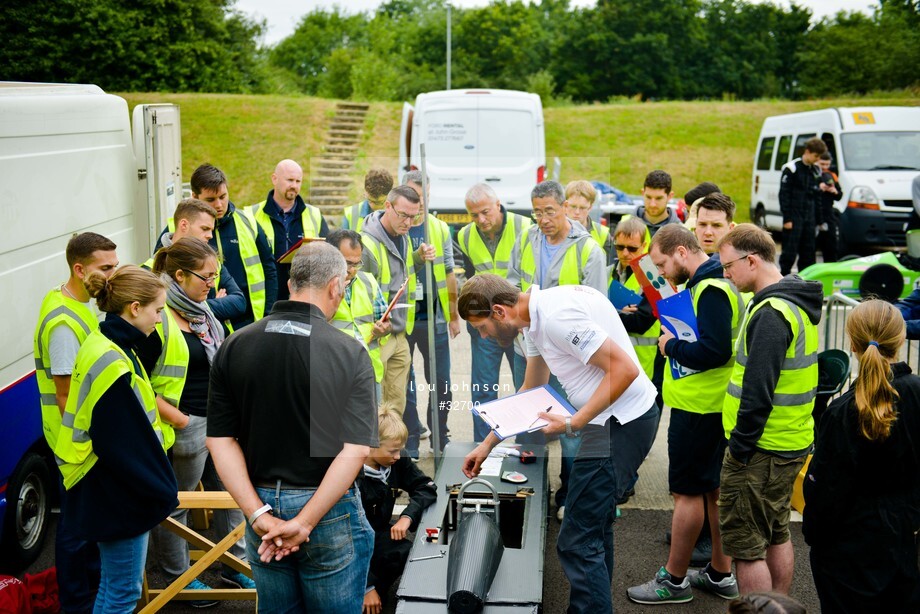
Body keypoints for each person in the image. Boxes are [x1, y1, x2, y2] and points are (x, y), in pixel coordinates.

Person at [459, 274, 659, 614]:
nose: (484, 336)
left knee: (577, 541)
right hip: (605, 423)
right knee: (591, 530)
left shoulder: (555, 318)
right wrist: (489, 443)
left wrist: (574, 422)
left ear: (498, 311)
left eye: (482, 328)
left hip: (621, 424)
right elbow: (533, 388)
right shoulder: (533, 320)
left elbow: (625, 371)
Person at [206, 242, 377, 612]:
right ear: (336, 286)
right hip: (328, 507)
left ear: (289, 286)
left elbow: (220, 440)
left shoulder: (234, 346)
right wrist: (304, 522)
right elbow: (356, 449)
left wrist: (257, 514)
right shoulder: (349, 352)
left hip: (259, 504)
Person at [627, 225, 744, 604]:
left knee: (688, 493)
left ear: (681, 252)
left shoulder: (710, 289)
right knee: (712, 491)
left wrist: (670, 345)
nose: (660, 273)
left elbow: (714, 351)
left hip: (700, 408)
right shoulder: (714, 285)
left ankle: (674, 581)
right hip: (712, 406)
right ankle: (720, 573)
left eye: (661, 263)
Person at [53, 265, 178, 613]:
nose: (160, 319)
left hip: (95, 483)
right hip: (115, 493)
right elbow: (123, 444)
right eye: (157, 310)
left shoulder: (104, 342)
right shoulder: (113, 359)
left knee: (110, 587)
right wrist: (163, 489)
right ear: (134, 308)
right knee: (123, 593)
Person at [143, 237, 253, 602]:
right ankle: (181, 580)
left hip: (220, 423)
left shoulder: (203, 312)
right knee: (179, 505)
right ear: (179, 275)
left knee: (234, 493)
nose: (212, 285)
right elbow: (138, 382)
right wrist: (181, 420)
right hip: (186, 428)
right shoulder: (159, 318)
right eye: (205, 278)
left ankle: (236, 568)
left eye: (214, 276)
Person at [717, 224, 823, 595]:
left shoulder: (771, 313)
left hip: (760, 449)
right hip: (788, 440)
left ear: (751, 260)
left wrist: (741, 449)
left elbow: (757, 392)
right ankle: (780, 605)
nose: (725, 274)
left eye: (728, 266)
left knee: (746, 547)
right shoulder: (792, 302)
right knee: (777, 530)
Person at [804, 299, 920, 612]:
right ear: (900, 340)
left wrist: (814, 534)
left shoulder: (842, 411)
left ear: (852, 344)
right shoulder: (916, 392)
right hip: (907, 537)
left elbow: (826, 486)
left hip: (849, 546)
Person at [509, 179, 607, 520]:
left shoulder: (589, 250)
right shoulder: (525, 239)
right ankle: (529, 489)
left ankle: (569, 495)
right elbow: (513, 286)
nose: (543, 218)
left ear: (565, 207)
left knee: (570, 430)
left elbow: (598, 309)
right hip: (532, 348)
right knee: (532, 415)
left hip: (571, 359)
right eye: (537, 212)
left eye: (550, 210)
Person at [33, 232, 117, 614]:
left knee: (82, 523)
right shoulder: (64, 326)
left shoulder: (78, 301)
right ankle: (77, 605)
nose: (112, 275)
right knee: (74, 529)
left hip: (76, 438)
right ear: (79, 269)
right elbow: (67, 397)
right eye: (105, 268)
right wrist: (97, 440)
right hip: (73, 441)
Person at [457, 183, 532, 442]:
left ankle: (526, 447)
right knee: (484, 388)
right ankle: (483, 444)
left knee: (526, 388)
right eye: (474, 215)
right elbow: (467, 277)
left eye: (486, 212)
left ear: (498, 204)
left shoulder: (525, 228)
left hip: (518, 324)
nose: (481, 220)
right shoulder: (465, 236)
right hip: (486, 327)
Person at [361, 185, 436, 417]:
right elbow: (359, 293)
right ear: (387, 206)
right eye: (403, 215)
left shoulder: (401, 236)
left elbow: (398, 274)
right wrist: (373, 328)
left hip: (399, 334)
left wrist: (418, 258)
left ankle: (390, 452)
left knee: (395, 408)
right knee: (375, 408)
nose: (408, 223)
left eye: (414, 217)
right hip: (378, 337)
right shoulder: (367, 244)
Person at [401, 171, 460, 455]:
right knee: (405, 384)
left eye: (424, 197)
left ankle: (440, 434)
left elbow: (449, 271)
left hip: (433, 319)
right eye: (414, 196)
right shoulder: (397, 227)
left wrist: (453, 313)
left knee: (442, 383)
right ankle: (411, 437)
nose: (420, 203)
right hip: (405, 319)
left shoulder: (439, 228)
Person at [359, 406, 437, 614]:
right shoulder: (351, 477)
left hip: (377, 533)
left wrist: (407, 517)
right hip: (353, 543)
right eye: (392, 450)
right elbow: (343, 538)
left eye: (400, 449)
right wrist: (367, 585)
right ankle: (365, 596)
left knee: (404, 551)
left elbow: (425, 487)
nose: (398, 455)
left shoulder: (396, 459)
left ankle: (378, 599)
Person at [188, 164, 277, 328]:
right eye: (210, 200)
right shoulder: (180, 229)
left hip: (250, 320)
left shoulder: (248, 223)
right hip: (206, 322)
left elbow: (269, 269)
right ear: (194, 196)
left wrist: (268, 314)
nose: (219, 205)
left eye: (223, 196)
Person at [149, 197, 247, 335]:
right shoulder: (150, 268)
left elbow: (239, 302)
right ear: (184, 225)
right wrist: (209, 307)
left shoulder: (212, 262)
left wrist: (198, 307)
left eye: (211, 230)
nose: (210, 236)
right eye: (205, 229)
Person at [249, 159, 329, 301]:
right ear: (274, 179)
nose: (294, 186)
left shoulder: (314, 215)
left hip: (304, 297)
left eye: (298, 181)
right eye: (290, 180)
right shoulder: (252, 215)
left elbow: (327, 254)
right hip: (266, 297)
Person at [327, 228, 391, 389]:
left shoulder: (368, 281)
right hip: (333, 371)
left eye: (357, 264)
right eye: (347, 263)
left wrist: (383, 328)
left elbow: (385, 322)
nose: (352, 270)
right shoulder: (318, 283)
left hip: (368, 370)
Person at [779, 137, 827, 275]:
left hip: (809, 218)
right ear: (807, 151)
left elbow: (817, 196)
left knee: (808, 253)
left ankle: (805, 283)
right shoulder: (791, 168)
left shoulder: (816, 170)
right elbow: (784, 195)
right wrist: (787, 218)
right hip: (794, 217)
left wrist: (819, 220)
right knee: (789, 252)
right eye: (816, 156)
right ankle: (783, 279)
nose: (817, 159)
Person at [564, 180, 611, 260]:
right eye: (573, 206)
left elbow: (608, 269)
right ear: (565, 205)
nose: (577, 212)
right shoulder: (553, 231)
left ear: (590, 207)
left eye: (582, 208)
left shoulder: (603, 234)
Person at [343, 167, 394, 232]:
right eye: (370, 200)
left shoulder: (398, 213)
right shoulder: (351, 213)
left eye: (379, 202)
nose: (373, 206)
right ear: (365, 192)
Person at [815, 152, 842, 262]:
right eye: (822, 164)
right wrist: (818, 188)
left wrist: (834, 191)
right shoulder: (813, 173)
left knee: (831, 246)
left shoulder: (832, 175)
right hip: (815, 213)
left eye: (827, 164)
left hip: (828, 212)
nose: (825, 167)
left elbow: (840, 195)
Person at [636, 170, 680, 237]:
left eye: (658, 198)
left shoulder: (681, 232)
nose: (652, 204)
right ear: (643, 193)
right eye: (648, 197)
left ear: (670, 196)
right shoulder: (624, 225)